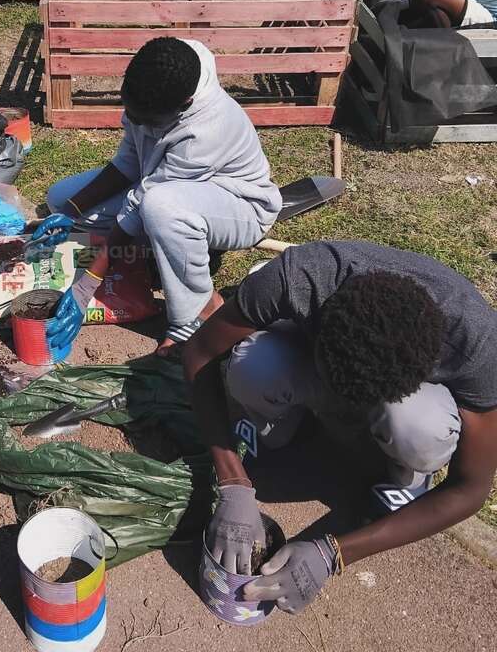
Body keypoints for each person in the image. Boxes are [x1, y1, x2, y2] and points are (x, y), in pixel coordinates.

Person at [182, 240, 497, 613]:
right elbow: (198, 354)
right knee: (255, 365)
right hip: (316, 353)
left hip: (402, 404)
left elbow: (472, 489)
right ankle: (283, 428)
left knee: (418, 426)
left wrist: (333, 553)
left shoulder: (476, 345)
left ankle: (403, 475)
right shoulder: (299, 279)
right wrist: (232, 481)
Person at [30, 37, 282, 358]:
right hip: (168, 192)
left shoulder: (205, 130)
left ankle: (195, 313)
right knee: (60, 196)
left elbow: (144, 201)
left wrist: (88, 282)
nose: (133, 122)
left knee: (160, 210)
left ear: (185, 104)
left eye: (144, 120)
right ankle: (161, 247)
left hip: (239, 206)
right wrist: (70, 210)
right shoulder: (156, 79)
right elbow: (128, 162)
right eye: (130, 113)